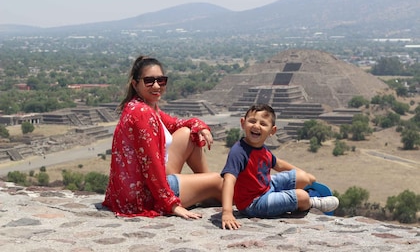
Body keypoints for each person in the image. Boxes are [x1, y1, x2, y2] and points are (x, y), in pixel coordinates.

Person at [103, 55, 222, 219]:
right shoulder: (142, 113)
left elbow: (176, 124)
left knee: (189, 134)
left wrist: (199, 126)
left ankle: (208, 191)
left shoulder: (147, 106)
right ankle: (216, 191)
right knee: (218, 180)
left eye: (161, 80)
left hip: (141, 187)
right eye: (149, 81)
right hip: (144, 196)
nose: (157, 85)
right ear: (135, 84)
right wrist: (172, 205)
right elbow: (150, 163)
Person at [220, 104, 339, 230]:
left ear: (272, 131)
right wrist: (227, 212)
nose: (256, 126)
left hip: (267, 186)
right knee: (302, 196)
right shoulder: (238, 152)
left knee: (304, 177)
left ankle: (288, 195)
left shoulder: (262, 148)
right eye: (252, 121)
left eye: (263, 124)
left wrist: (302, 173)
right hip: (253, 203)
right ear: (243, 123)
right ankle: (311, 203)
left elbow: (278, 164)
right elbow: (228, 180)